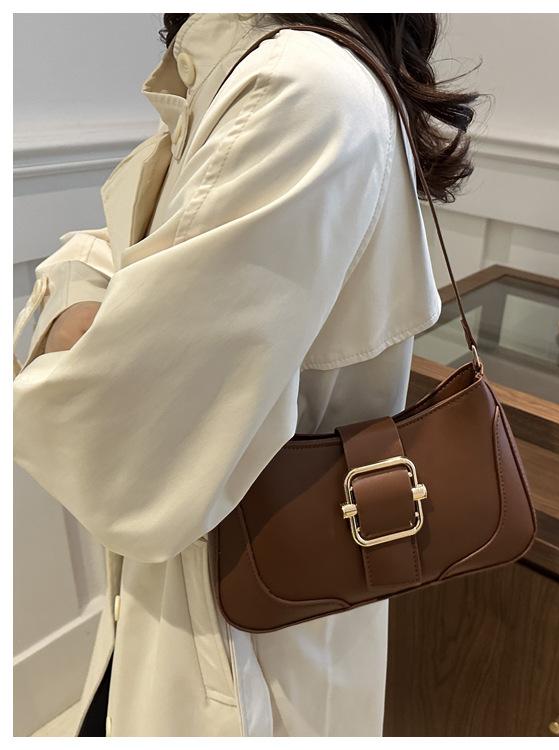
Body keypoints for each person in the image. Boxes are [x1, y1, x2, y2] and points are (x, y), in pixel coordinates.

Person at [13, 12, 480, 737]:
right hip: (234, 592)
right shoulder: (293, 73)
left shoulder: (300, 88)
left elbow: (122, 455)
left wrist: (69, 299)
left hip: (235, 627)